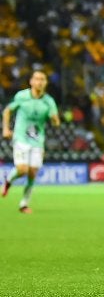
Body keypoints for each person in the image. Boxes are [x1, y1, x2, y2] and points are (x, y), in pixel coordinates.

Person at [2, 70, 61, 214]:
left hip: (37, 140)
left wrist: (55, 120)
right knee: (22, 169)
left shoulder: (49, 101)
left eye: (42, 79)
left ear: (46, 83)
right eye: (37, 79)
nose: (39, 82)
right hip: (21, 137)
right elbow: (7, 111)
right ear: (31, 81)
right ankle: (8, 181)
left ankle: (24, 204)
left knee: (32, 173)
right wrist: (6, 129)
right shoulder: (22, 96)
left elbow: (56, 122)